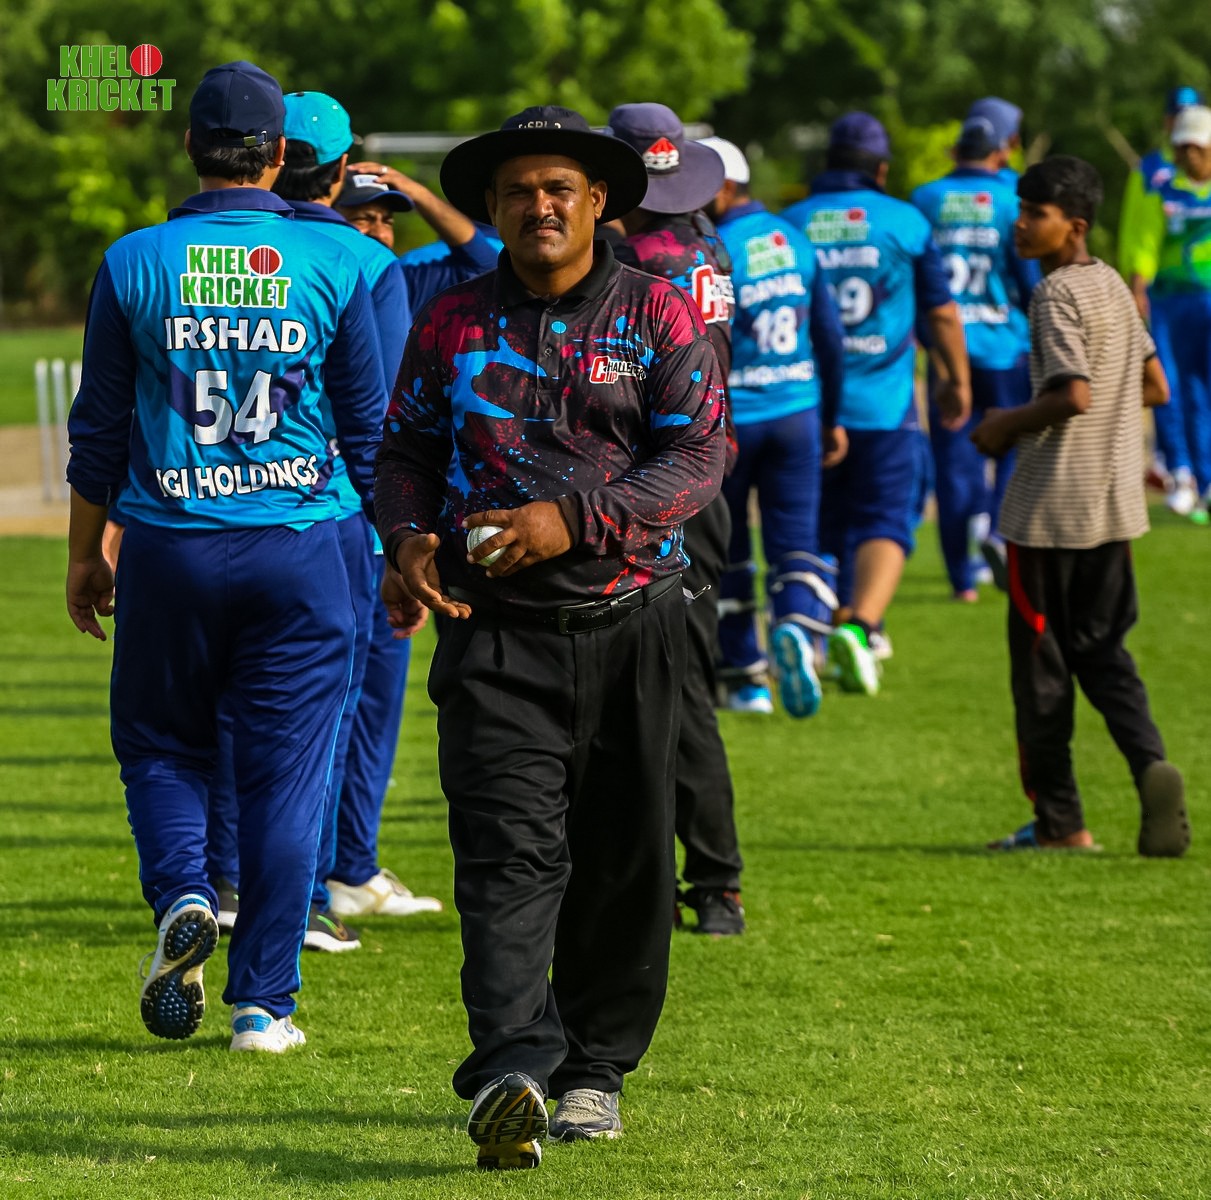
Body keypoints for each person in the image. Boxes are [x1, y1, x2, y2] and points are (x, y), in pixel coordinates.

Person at [374, 105, 726, 1167]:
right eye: (518, 191)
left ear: (597, 202)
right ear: (491, 207)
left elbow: (698, 458)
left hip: (635, 624)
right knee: (504, 856)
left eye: (558, 188)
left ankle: (592, 1072)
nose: (539, 205)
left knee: (623, 860)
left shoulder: (658, 311)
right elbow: (405, 450)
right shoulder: (448, 320)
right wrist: (407, 538)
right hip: (494, 636)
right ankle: (512, 1070)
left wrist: (567, 522)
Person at [65, 61, 388, 1051]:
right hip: (303, 546)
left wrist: (85, 555)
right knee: (288, 776)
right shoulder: (338, 260)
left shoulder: (134, 260)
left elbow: (98, 429)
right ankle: (263, 1006)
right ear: (280, 154)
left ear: (189, 147)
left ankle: (184, 892)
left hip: (170, 544)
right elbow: (370, 432)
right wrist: (399, 555)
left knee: (162, 746)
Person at [972, 156, 1190, 857]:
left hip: (1047, 513)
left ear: (1074, 226)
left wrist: (1004, 424)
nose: (1019, 224)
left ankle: (1061, 824)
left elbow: (1074, 394)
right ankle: (1149, 764)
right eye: (1019, 210)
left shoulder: (1055, 294)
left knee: (1040, 673)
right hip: (1113, 508)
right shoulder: (1112, 287)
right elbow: (1154, 386)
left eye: (1034, 214)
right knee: (1103, 654)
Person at [607, 102, 746, 937]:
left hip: (657, 490)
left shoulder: (628, 259)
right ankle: (699, 881)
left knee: (661, 692)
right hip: (705, 480)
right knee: (672, 687)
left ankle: (706, 881)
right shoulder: (708, 244)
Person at [782, 113, 971, 694]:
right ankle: (862, 626)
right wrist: (956, 379)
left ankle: (813, 628)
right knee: (886, 518)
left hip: (809, 405)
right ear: (881, 170)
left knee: (819, 523)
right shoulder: (905, 221)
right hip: (885, 406)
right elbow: (941, 312)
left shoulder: (791, 224)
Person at [700, 135, 847, 717]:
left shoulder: (714, 250)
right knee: (796, 540)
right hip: (798, 412)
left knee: (731, 545)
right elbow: (829, 339)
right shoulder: (795, 239)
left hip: (734, 421)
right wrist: (832, 418)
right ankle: (797, 628)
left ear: (725, 188)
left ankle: (747, 680)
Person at [912, 115, 1041, 600]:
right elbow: (1027, 280)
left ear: (955, 152)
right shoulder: (1010, 201)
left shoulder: (925, 199)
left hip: (948, 353)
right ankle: (998, 532)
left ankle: (961, 579)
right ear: (999, 154)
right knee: (1015, 448)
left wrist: (927, 339)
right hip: (1005, 347)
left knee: (953, 464)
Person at [1119, 86, 1204, 515]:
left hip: (1207, 296)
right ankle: (1180, 471)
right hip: (1167, 298)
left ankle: (1206, 475)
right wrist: (1137, 284)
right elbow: (1142, 235)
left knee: (1202, 389)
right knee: (1167, 383)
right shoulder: (1154, 173)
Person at [335, 161, 501, 306]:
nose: (380, 233)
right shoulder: (321, 284)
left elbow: (485, 264)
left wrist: (416, 192)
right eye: (363, 219)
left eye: (387, 221)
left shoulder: (405, 279)